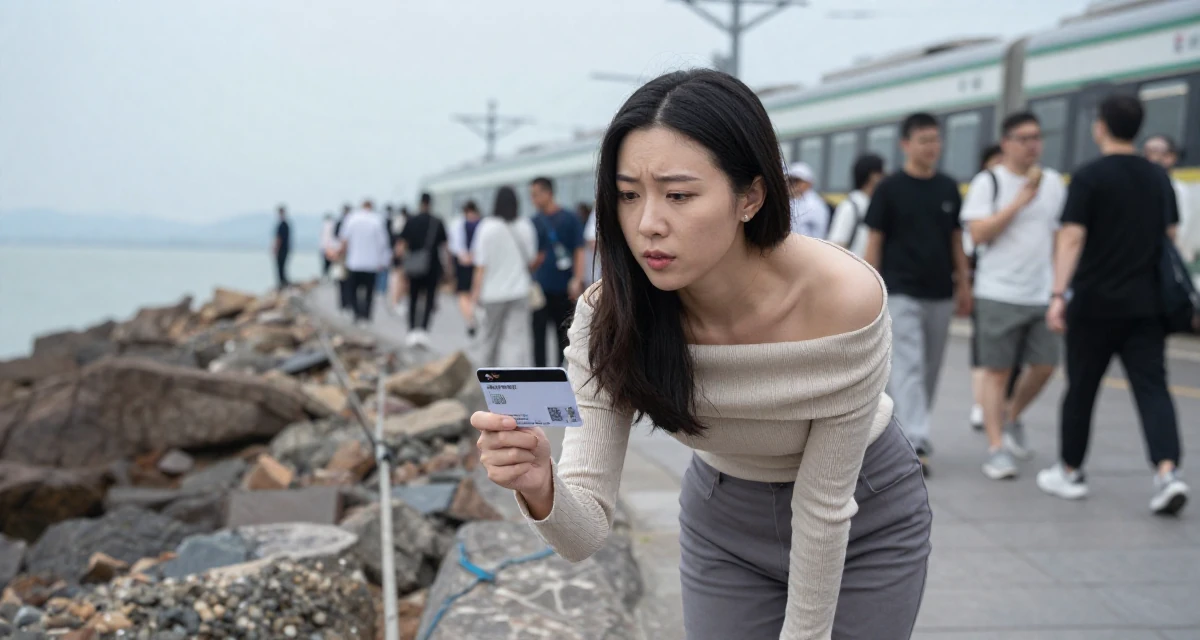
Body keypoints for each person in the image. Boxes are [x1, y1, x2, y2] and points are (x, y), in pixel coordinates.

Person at [473, 69, 931, 640]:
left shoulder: (843, 299)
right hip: (723, 521)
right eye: (628, 195)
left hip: (865, 513)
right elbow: (583, 534)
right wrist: (539, 482)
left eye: (679, 195)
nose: (648, 224)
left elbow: (824, 509)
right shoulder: (611, 315)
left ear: (750, 197)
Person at [1040, 94, 1188, 515]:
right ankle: (1167, 473)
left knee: (1082, 388)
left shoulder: (1089, 176)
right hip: (1147, 304)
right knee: (1153, 389)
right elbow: (1170, 237)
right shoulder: (1157, 177)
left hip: (1094, 303)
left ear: (1101, 126)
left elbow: (1072, 237)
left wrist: (1058, 295)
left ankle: (1070, 471)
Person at [864, 112, 972, 475]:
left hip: (940, 292)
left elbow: (956, 240)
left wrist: (964, 284)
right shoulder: (889, 189)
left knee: (929, 369)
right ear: (905, 145)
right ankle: (917, 439)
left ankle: (903, 431)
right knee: (908, 364)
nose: (932, 146)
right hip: (901, 291)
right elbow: (874, 241)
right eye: (924, 140)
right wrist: (868, 289)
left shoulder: (948, 188)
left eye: (936, 139)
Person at [961, 112, 1066, 480]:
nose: (1033, 145)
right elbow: (978, 234)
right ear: (1006, 143)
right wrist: (1019, 202)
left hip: (1041, 292)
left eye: (1037, 137)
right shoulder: (988, 182)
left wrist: (1061, 288)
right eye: (1024, 138)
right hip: (998, 291)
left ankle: (1011, 416)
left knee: (1046, 365)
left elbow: (1060, 237)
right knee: (997, 373)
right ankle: (996, 448)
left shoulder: (1053, 183)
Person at [469, 186, 540, 366]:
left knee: (489, 339)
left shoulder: (486, 227)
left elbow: (480, 265)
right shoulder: (525, 226)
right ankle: (513, 379)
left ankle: (487, 379)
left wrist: (475, 294)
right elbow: (531, 260)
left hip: (491, 294)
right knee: (515, 340)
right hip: (519, 291)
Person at [529, 176, 586, 367]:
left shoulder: (569, 218)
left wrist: (577, 278)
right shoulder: (533, 222)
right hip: (539, 289)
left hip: (564, 287)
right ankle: (539, 375)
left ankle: (561, 375)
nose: (533, 200)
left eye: (536, 194)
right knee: (538, 337)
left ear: (549, 193)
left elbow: (579, 249)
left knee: (564, 337)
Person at [968, 144, 1006, 432]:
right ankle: (981, 405)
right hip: (988, 285)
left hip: (1024, 290)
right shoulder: (982, 194)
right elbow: (971, 241)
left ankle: (999, 406)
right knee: (985, 354)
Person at [399, 193, 449, 347]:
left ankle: (412, 330)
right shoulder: (437, 221)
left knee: (413, 297)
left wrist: (402, 266)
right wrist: (448, 268)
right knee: (429, 299)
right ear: (430, 204)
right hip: (432, 265)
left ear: (419, 203)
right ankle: (424, 331)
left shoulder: (411, 220)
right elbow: (445, 247)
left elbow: (402, 245)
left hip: (414, 265)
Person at [336, 199, 391, 324]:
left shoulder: (352, 219)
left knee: (354, 290)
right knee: (369, 292)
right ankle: (366, 315)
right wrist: (383, 261)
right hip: (372, 263)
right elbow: (383, 243)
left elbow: (344, 240)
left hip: (354, 262)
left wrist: (340, 255)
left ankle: (356, 314)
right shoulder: (377, 220)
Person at [1144, 134, 1195, 261]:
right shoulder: (1139, 187)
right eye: (1146, 152)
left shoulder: (1179, 190)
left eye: (1155, 151)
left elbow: (1180, 231)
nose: (1149, 157)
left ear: (1171, 157)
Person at [827, 153, 885, 257]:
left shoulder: (877, 203)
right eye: (882, 173)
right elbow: (837, 245)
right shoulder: (851, 206)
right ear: (873, 176)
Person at [448, 200, 483, 337]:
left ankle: (470, 320)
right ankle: (474, 312)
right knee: (475, 290)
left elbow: (453, 246)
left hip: (462, 263)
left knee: (463, 294)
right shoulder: (483, 224)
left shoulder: (457, 224)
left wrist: (463, 256)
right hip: (478, 262)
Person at [787, 161, 830, 239]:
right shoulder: (786, 200)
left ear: (808, 183)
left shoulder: (816, 204)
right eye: (790, 180)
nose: (792, 184)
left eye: (796, 180)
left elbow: (820, 233)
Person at [390, 205, 410, 316]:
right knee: (400, 279)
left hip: (400, 254)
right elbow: (400, 239)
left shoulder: (397, 221)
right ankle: (396, 301)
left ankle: (397, 301)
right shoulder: (403, 222)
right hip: (402, 254)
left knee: (399, 279)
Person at [273, 205, 291, 290]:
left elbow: (279, 238)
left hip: (282, 249)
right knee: (282, 267)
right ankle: (283, 283)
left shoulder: (283, 225)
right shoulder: (286, 224)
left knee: (281, 267)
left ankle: (282, 283)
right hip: (285, 249)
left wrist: (276, 248)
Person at [319, 212, 337, 279]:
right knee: (330, 264)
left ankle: (326, 277)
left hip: (326, 247)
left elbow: (325, 238)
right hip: (330, 247)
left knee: (326, 264)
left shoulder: (326, 225)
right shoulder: (332, 224)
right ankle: (328, 277)